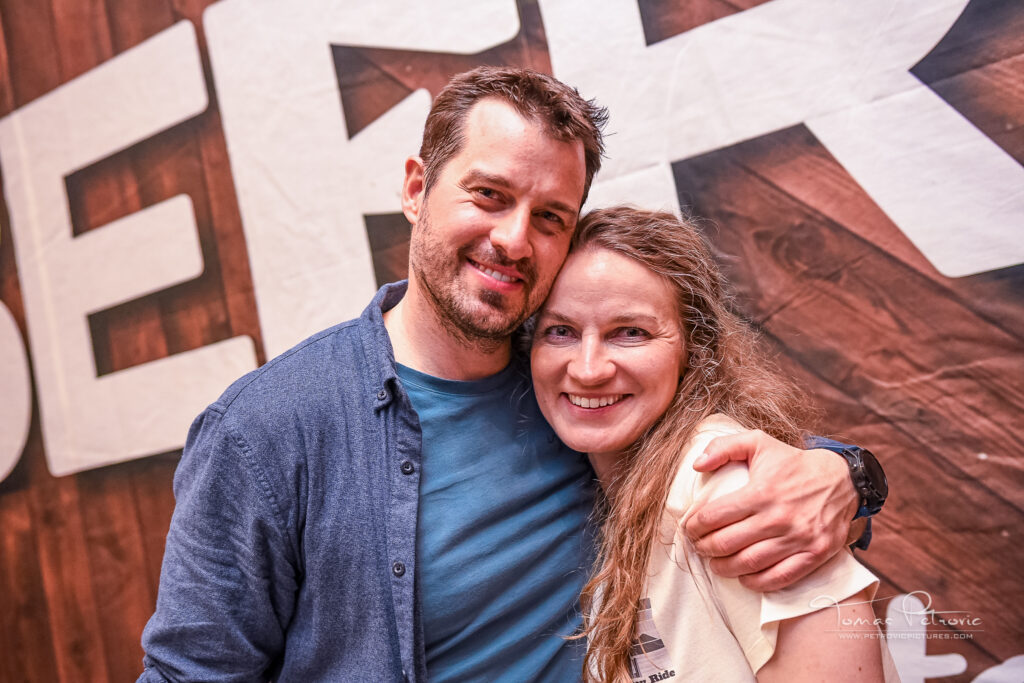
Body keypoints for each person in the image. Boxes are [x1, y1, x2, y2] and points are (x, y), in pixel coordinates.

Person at [139, 67, 883, 681]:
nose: (514, 239)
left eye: (550, 216)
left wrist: (846, 472)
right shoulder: (266, 429)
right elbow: (190, 671)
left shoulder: (570, 382)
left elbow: (711, 452)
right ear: (415, 189)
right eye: (489, 195)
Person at [530, 206, 896, 682]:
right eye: (560, 331)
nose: (587, 369)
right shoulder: (617, 486)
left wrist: (851, 475)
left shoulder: (732, 488)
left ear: (695, 349)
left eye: (631, 332)